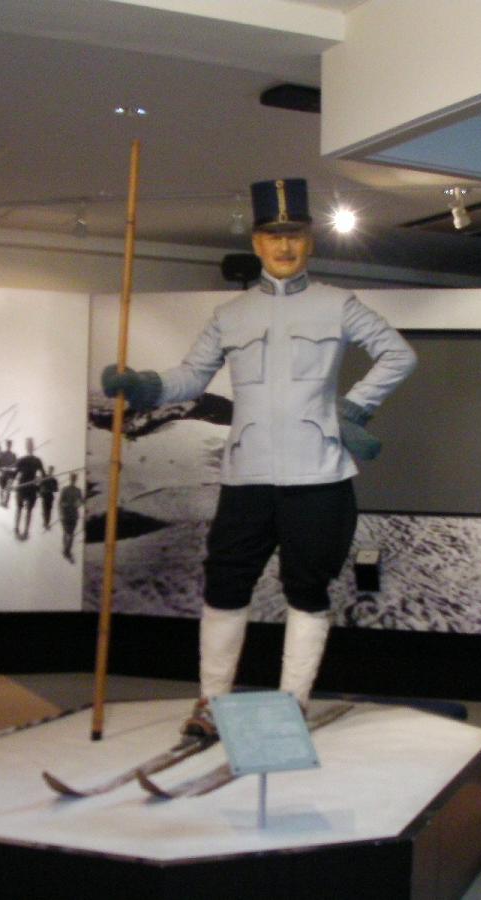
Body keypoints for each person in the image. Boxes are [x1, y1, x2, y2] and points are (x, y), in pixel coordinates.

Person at [103, 177, 416, 737]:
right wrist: (145, 386)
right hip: (247, 475)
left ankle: (293, 704)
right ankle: (210, 702)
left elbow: (398, 355)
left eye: (294, 234)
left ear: (310, 241)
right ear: (256, 243)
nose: (285, 246)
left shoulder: (337, 305)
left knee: (307, 589)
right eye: (274, 236)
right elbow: (192, 376)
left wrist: (353, 407)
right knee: (225, 583)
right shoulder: (231, 314)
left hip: (319, 474)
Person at [13, 438, 45, 538]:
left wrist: (39, 480)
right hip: (22, 486)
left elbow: (43, 475)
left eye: (31, 445)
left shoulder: (37, 461)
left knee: (29, 510)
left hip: (32, 487)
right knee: (19, 508)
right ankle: (16, 528)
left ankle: (26, 531)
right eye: (28, 445)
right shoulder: (21, 460)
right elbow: (15, 473)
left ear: (33, 447)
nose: (30, 447)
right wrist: (10, 483)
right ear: (26, 447)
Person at [58, 471, 83, 561]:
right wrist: (62, 511)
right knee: (66, 533)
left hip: (74, 515)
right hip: (65, 514)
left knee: (71, 534)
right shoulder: (65, 489)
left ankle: (67, 551)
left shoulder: (78, 490)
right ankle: (66, 550)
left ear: (76, 480)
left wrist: (78, 504)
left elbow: (81, 502)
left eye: (74, 479)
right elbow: (60, 502)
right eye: (72, 478)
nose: (73, 480)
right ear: (70, 479)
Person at [0, 439, 17, 507]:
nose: (9, 446)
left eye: (10, 445)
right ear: (6, 445)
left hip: (9, 475)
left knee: (8, 488)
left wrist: (11, 469)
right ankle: (1, 500)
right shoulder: (2, 454)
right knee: (1, 487)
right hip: (2, 474)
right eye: (8, 445)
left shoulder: (13, 455)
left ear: (11, 446)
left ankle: (6, 502)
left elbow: (15, 466)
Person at [39, 465, 59, 530]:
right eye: (50, 470)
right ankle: (45, 522)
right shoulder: (44, 477)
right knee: (44, 510)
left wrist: (52, 487)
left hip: (50, 496)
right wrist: (41, 491)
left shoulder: (54, 480)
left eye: (52, 470)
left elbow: (56, 489)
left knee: (49, 510)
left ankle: (47, 523)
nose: (51, 471)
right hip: (44, 496)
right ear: (48, 470)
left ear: (52, 471)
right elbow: (40, 485)